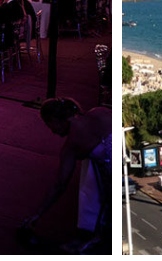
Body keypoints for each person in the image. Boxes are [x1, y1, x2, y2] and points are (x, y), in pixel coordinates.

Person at [22, 99, 110, 253]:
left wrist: (38, 213)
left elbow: (60, 185)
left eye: (50, 126)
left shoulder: (71, 146)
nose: (53, 132)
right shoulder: (99, 111)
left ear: (55, 120)